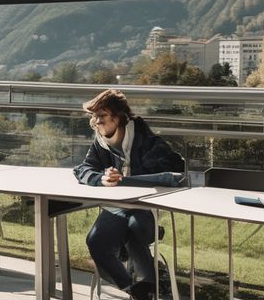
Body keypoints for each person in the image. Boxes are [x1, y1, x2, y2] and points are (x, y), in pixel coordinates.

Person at [73, 89, 185, 300]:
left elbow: (175, 170)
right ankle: (134, 289)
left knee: (134, 232)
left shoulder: (146, 140)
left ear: (119, 117)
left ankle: (149, 289)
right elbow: (82, 169)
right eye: (94, 117)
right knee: (96, 241)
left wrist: (127, 180)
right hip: (116, 206)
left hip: (143, 206)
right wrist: (101, 180)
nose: (96, 122)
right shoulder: (101, 141)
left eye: (102, 116)